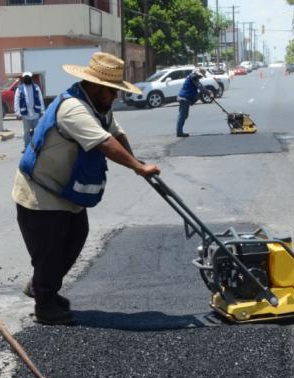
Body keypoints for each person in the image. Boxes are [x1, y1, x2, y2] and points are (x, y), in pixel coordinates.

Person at [13, 52, 160, 325]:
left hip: (64, 190)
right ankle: (45, 304)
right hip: (40, 192)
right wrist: (136, 168)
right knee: (50, 248)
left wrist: (136, 161)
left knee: (76, 236)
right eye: (111, 91)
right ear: (93, 86)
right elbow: (104, 142)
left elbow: (115, 133)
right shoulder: (74, 109)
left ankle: (43, 287)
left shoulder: (98, 105)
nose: (114, 97)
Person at [14, 71, 44, 152]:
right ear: (23, 79)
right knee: (26, 132)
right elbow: (16, 101)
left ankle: (36, 146)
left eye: (29, 77)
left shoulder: (36, 88)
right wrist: (18, 113)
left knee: (37, 131)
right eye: (26, 77)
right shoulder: (19, 89)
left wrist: (42, 111)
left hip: (35, 113)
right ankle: (27, 147)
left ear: (31, 78)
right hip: (25, 114)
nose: (27, 79)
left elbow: (40, 99)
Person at [176, 67, 209, 138]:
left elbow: (200, 86)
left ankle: (179, 131)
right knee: (182, 115)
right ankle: (179, 132)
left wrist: (207, 93)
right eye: (200, 75)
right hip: (184, 98)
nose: (200, 77)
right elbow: (200, 87)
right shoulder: (193, 77)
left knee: (184, 115)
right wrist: (208, 93)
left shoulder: (193, 77)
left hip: (184, 98)